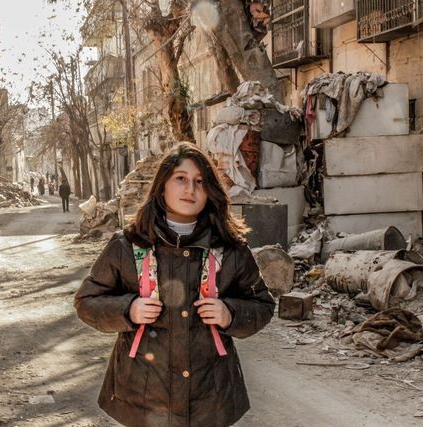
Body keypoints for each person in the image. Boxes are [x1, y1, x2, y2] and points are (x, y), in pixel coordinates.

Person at [74, 143, 275, 427]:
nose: (190, 189)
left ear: (210, 191)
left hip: (210, 397)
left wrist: (230, 313)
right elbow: (87, 302)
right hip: (141, 395)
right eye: (180, 178)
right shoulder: (128, 245)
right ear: (162, 186)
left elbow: (263, 305)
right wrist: (128, 309)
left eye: (199, 181)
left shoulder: (229, 250)